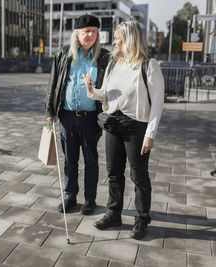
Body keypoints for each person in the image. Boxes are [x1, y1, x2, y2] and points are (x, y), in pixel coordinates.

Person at [83, 20, 165, 239]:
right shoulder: (113, 63)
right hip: (113, 124)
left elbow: (157, 103)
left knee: (139, 175)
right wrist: (92, 90)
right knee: (113, 174)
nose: (114, 41)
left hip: (136, 127)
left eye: (118, 37)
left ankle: (142, 219)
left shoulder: (148, 65)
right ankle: (114, 214)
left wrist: (151, 134)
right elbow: (108, 95)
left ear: (130, 39)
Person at [45, 14, 109, 215]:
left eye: (93, 31)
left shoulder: (104, 57)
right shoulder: (64, 54)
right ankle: (70, 196)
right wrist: (50, 109)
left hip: (91, 118)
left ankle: (90, 199)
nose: (90, 35)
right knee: (70, 159)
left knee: (91, 160)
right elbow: (53, 83)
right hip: (67, 117)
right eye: (86, 31)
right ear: (77, 34)